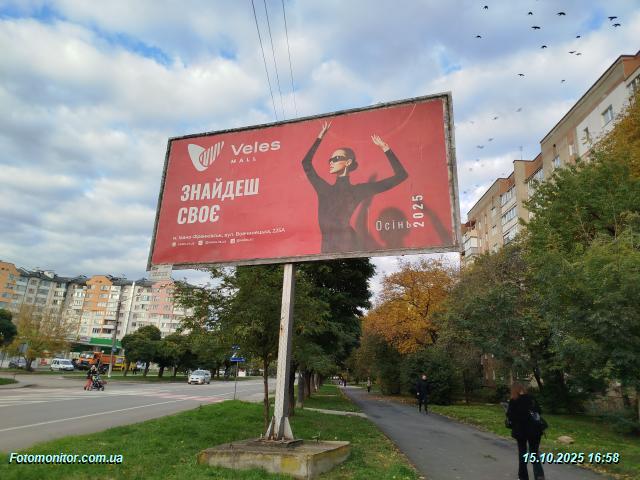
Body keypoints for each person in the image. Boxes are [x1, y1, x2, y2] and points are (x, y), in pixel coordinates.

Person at [302, 121, 408, 253]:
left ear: (348, 162)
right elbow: (306, 163)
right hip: (327, 250)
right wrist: (320, 137)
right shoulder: (324, 189)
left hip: (350, 247)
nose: (331, 162)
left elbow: (401, 176)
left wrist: (386, 148)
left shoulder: (358, 190)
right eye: (330, 160)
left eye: (336, 159)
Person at [506, 383, 546, 480]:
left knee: (522, 454)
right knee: (534, 454)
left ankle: (523, 477)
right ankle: (539, 476)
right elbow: (539, 411)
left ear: (513, 391)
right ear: (523, 389)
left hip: (521, 431)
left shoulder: (513, 401)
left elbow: (510, 416)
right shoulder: (531, 398)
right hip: (535, 430)